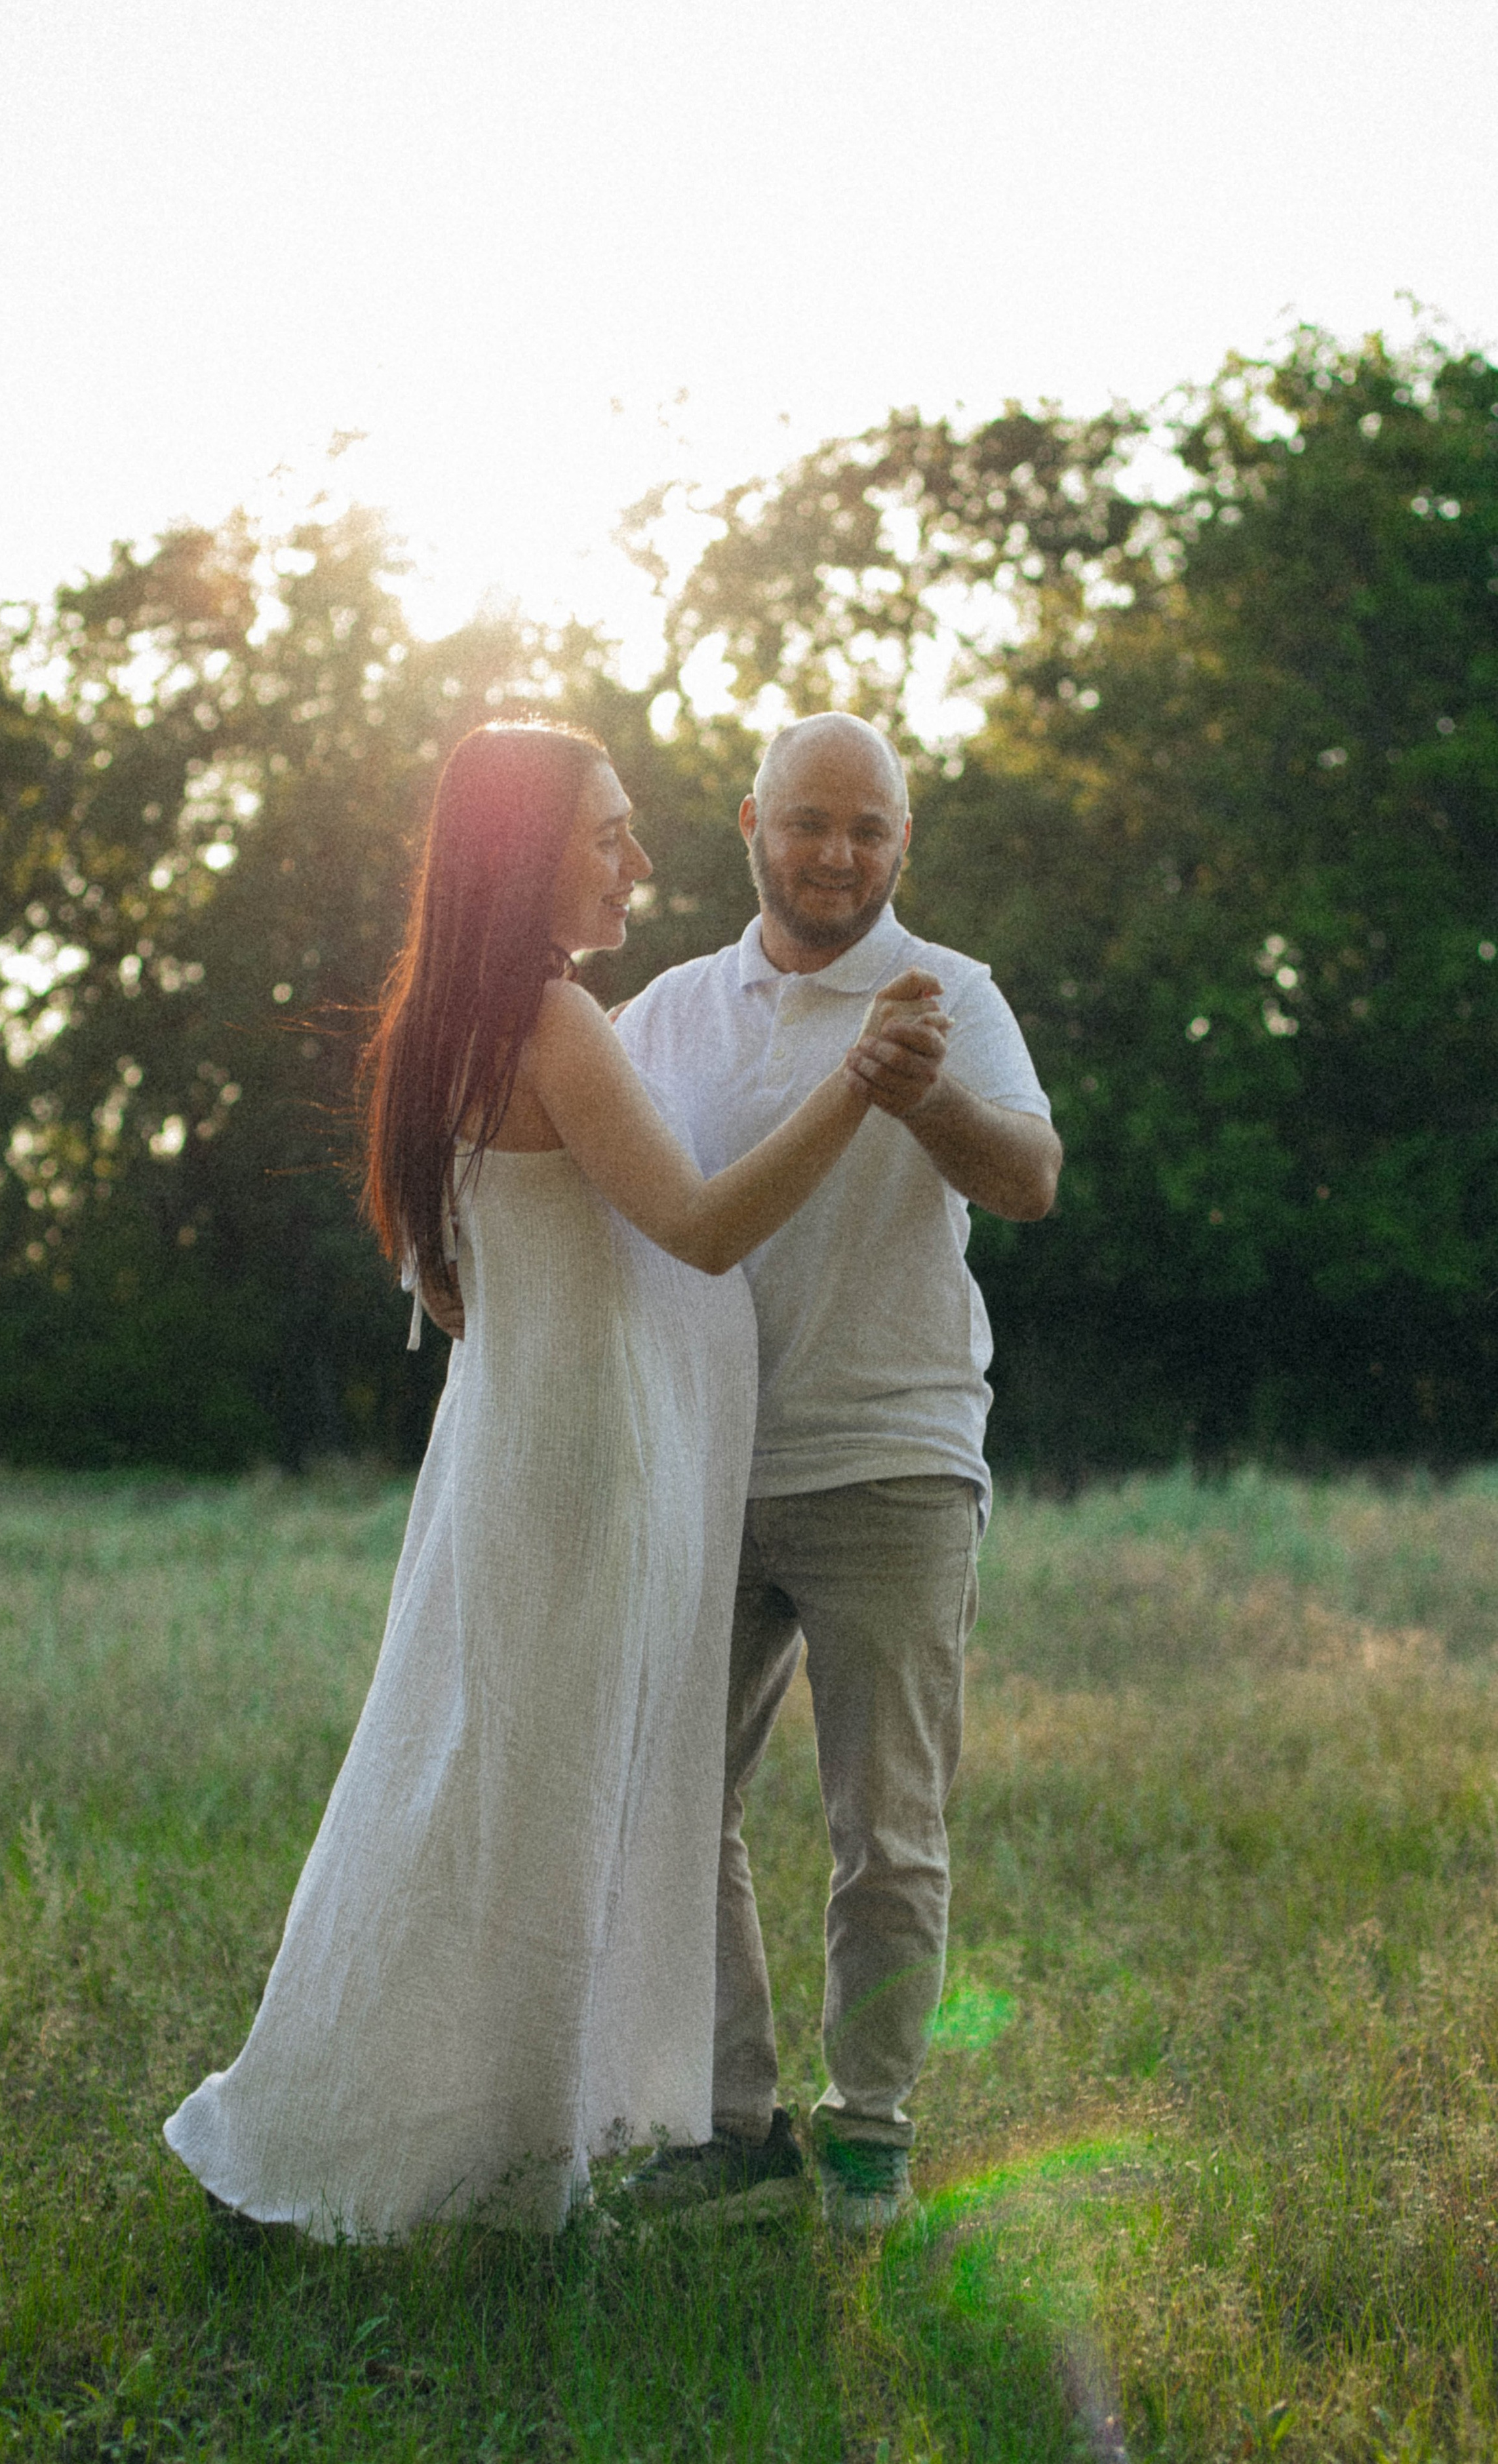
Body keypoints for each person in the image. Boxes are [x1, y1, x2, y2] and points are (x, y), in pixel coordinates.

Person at [163, 720, 939, 2241]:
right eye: (608, 833)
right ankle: (515, 2165)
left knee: (480, 1795)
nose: (640, 863)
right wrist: (856, 1082)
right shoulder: (552, 1022)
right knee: (550, 1812)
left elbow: (456, 1289)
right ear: (529, 857)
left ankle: (488, 2141)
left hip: (509, 1466)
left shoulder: (432, 1032)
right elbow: (703, 1227)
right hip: (586, 1481)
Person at [613, 711, 1062, 2233]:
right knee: (674, 1805)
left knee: (888, 1827)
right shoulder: (668, 1010)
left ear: (900, 846)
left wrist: (916, 1086)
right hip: (705, 1460)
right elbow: (584, 1182)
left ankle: (868, 2131)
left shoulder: (954, 995)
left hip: (892, 1458)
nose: (836, 854)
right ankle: (733, 2129)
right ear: (750, 821)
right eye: (810, 820)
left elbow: (1029, 1182)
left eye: (868, 830)